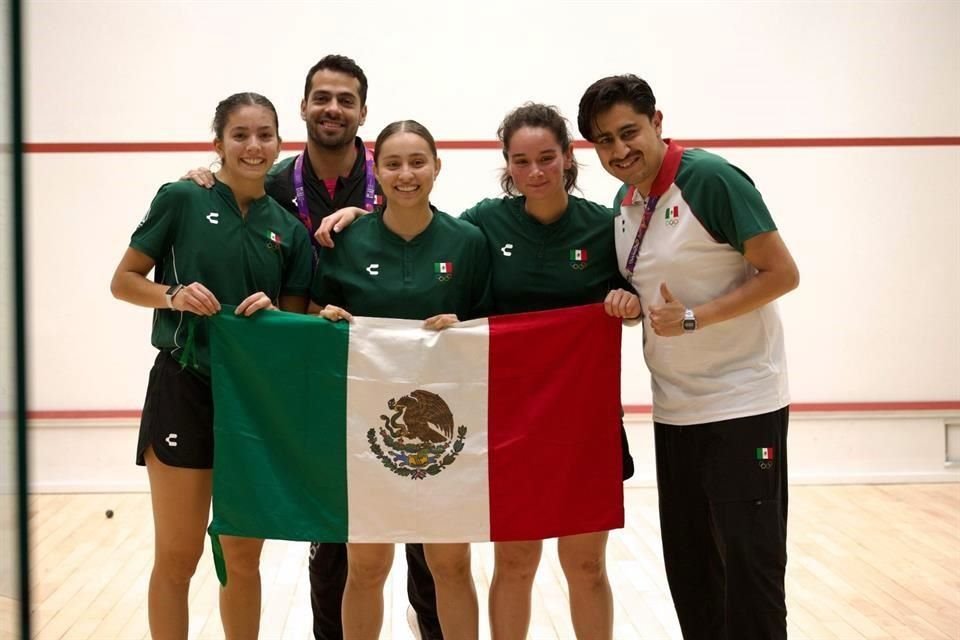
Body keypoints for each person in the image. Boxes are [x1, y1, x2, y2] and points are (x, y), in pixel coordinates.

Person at [318, 103, 640, 640]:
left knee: (585, 565)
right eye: (521, 160)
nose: (535, 171)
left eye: (546, 158)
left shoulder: (606, 228)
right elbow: (419, 242)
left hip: (583, 418)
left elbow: (640, 294)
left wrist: (627, 303)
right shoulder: (483, 225)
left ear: (567, 157)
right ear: (506, 164)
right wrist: (357, 215)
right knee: (509, 564)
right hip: (504, 421)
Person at [184, 55, 444, 640]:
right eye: (321, 97)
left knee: (428, 536)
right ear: (303, 107)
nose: (333, 108)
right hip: (313, 379)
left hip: (401, 375)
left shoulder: (395, 176)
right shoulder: (269, 183)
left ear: (362, 112)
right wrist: (204, 173)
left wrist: (374, 211)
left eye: (345, 99)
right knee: (332, 534)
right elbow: (221, 192)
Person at [577, 74, 800, 640]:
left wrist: (696, 317)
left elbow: (782, 273)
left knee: (751, 573)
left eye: (629, 132)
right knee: (693, 573)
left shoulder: (710, 179)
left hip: (742, 404)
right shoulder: (624, 202)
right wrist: (628, 304)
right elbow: (644, 289)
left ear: (657, 122)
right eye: (604, 141)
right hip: (675, 412)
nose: (620, 150)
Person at [110, 92, 313, 640]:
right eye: (240, 134)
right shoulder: (182, 197)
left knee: (242, 558)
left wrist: (272, 313)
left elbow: (294, 331)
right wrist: (173, 295)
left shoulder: (289, 230)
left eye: (264, 134)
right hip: (185, 388)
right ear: (217, 140)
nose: (253, 146)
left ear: (278, 141)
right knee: (179, 557)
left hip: (253, 400)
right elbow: (123, 282)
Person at [310, 120, 490, 640]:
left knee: (451, 567)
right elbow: (316, 312)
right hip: (366, 431)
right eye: (393, 163)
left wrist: (468, 328)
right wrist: (328, 319)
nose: (406, 174)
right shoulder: (344, 240)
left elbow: (491, 330)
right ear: (375, 169)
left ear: (437, 165)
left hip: (450, 435)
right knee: (366, 569)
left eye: (418, 162)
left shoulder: (469, 241)